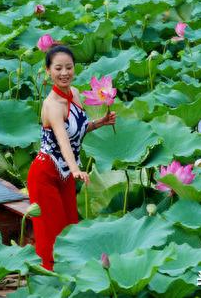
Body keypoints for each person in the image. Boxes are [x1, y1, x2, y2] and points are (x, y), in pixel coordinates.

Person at [27, 45, 117, 270]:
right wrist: (76, 168)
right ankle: (50, 283)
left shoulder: (75, 93)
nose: (64, 72)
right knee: (52, 234)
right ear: (48, 71)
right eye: (58, 68)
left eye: (68, 67)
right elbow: (62, 139)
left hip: (66, 173)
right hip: (45, 173)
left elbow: (76, 129)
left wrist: (99, 123)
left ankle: (74, 278)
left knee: (71, 229)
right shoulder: (52, 105)